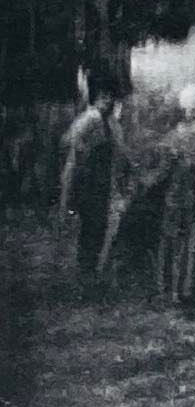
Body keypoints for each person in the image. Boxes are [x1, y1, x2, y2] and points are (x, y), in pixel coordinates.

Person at [59, 69, 125, 281]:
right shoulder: (90, 118)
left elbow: (120, 151)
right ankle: (84, 272)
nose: (108, 101)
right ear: (95, 97)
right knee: (89, 226)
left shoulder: (112, 123)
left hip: (104, 181)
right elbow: (68, 140)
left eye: (111, 97)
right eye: (103, 97)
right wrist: (84, 151)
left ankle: (92, 270)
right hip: (88, 180)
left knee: (99, 226)